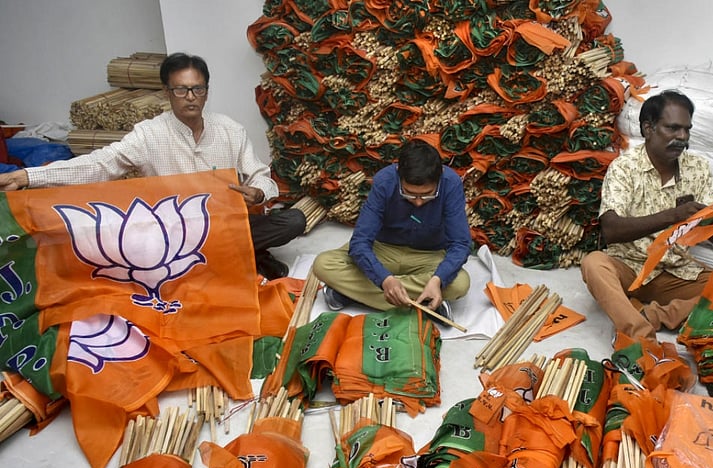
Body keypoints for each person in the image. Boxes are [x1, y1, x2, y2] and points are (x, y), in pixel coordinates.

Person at [0, 52, 305, 280]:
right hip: (174, 234)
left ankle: (239, 251)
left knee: (293, 221)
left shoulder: (229, 129)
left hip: (227, 224)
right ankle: (247, 254)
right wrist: (29, 175)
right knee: (123, 243)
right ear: (166, 92)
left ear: (207, 91)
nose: (191, 97)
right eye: (181, 90)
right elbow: (99, 165)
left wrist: (259, 193)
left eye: (198, 89)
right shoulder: (149, 134)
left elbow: (263, 177)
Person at [581, 90, 713, 339]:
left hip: (675, 271)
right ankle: (639, 334)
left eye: (686, 129)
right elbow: (611, 230)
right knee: (593, 264)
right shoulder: (625, 167)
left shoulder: (698, 168)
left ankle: (655, 316)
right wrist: (674, 215)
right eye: (672, 128)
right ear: (648, 128)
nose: (682, 137)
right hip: (629, 267)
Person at [313, 138, 471, 321]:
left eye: (427, 195)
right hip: (383, 249)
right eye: (409, 193)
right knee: (323, 264)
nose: (419, 201)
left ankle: (351, 294)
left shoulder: (450, 183)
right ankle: (423, 304)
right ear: (398, 174)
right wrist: (385, 279)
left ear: (440, 176)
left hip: (428, 255)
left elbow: (460, 243)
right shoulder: (384, 181)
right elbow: (360, 242)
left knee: (460, 284)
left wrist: (436, 280)